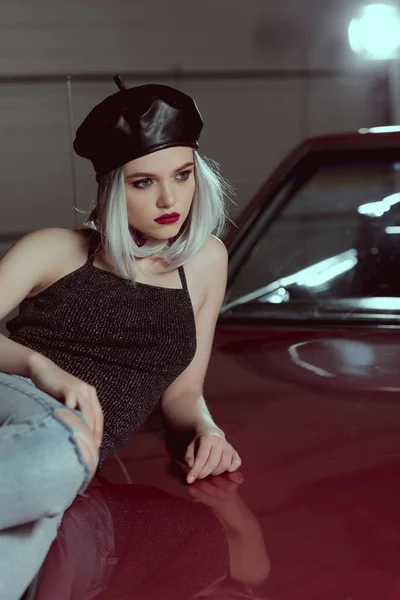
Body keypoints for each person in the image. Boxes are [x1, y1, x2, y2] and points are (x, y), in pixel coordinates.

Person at [0, 76, 242, 600]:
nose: (168, 198)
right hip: (18, 415)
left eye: (181, 175)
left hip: (69, 484)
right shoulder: (55, 249)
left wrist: (208, 431)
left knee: (28, 562)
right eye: (143, 182)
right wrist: (40, 368)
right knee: (58, 457)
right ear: (112, 186)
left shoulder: (205, 263)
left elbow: (182, 393)